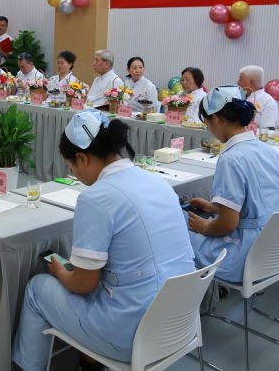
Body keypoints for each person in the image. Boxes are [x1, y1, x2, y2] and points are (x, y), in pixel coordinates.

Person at [12, 110, 195, 371]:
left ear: (82, 158)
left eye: (71, 168)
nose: (75, 175)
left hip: (134, 335)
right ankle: (89, 361)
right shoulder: (157, 182)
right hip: (180, 322)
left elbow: (84, 284)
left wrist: (60, 272)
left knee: (37, 288)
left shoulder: (96, 198)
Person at [186, 86, 279, 283]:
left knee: (178, 229)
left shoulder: (231, 159)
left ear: (217, 119)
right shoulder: (269, 151)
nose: (209, 129)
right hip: (273, 249)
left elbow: (227, 224)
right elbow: (258, 200)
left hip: (243, 256)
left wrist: (205, 227)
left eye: (207, 123)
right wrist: (215, 207)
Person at [237, 65, 279, 129]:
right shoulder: (238, 97)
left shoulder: (268, 102)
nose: (237, 82)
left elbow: (268, 131)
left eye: (240, 79)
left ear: (251, 82)